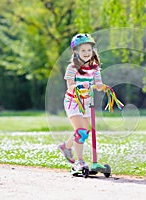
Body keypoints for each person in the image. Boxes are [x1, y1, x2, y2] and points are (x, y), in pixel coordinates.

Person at [58, 33, 103, 170]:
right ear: (76, 51)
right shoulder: (72, 68)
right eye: (83, 50)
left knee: (86, 131)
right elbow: (70, 86)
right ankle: (80, 161)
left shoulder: (95, 68)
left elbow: (98, 82)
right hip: (73, 102)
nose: (86, 53)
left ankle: (66, 146)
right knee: (81, 132)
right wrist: (79, 86)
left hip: (87, 102)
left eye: (89, 50)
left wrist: (101, 85)